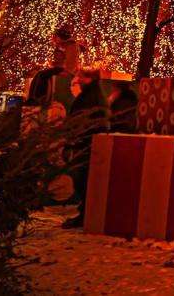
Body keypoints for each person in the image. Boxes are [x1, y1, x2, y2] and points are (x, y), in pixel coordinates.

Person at [63, 69, 109, 228]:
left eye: (80, 76)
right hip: (86, 144)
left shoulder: (89, 98)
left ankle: (85, 214)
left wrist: (72, 142)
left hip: (84, 144)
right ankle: (85, 213)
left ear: (89, 79)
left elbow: (81, 121)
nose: (77, 79)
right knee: (83, 180)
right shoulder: (94, 95)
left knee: (82, 180)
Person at [27, 26, 81, 107]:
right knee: (39, 75)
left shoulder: (71, 45)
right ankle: (33, 98)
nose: (54, 38)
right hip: (58, 68)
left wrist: (67, 72)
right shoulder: (62, 45)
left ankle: (38, 99)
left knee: (42, 76)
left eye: (56, 36)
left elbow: (72, 61)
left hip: (63, 70)